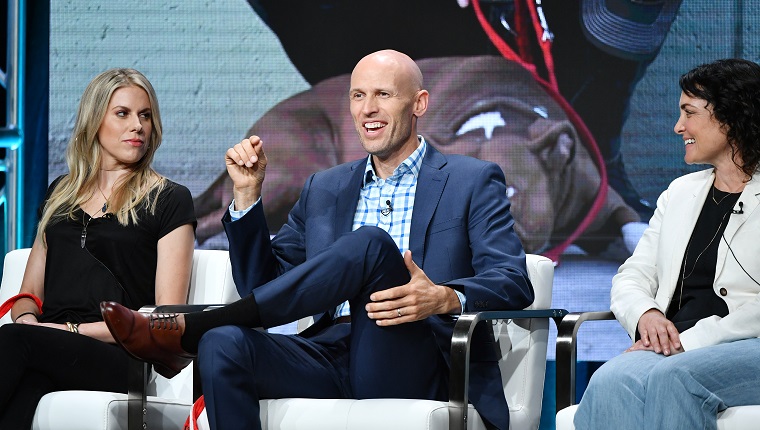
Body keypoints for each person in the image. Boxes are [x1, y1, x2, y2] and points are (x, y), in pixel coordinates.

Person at [101, 50, 533, 430]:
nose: (367, 109)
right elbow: (264, 288)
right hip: (329, 352)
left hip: (420, 354)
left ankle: (193, 327)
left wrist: (443, 297)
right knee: (224, 344)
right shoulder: (325, 188)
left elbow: (513, 279)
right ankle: (205, 331)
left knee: (371, 244)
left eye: (384, 94)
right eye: (358, 96)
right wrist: (249, 198)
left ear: (419, 103)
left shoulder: (470, 180)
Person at [0, 68, 197, 428]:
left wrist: (64, 332)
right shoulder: (60, 193)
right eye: (122, 113)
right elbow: (28, 294)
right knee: (24, 390)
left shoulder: (169, 199)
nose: (137, 125)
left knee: (14, 345)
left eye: (145, 115)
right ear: (94, 121)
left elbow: (161, 320)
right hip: (44, 346)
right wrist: (29, 320)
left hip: (117, 355)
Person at [573, 58, 760, 430]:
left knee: (676, 376)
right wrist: (647, 314)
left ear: (731, 117)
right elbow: (634, 274)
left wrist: (685, 343)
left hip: (739, 345)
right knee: (610, 380)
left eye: (689, 113)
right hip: (675, 348)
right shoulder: (679, 193)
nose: (679, 127)